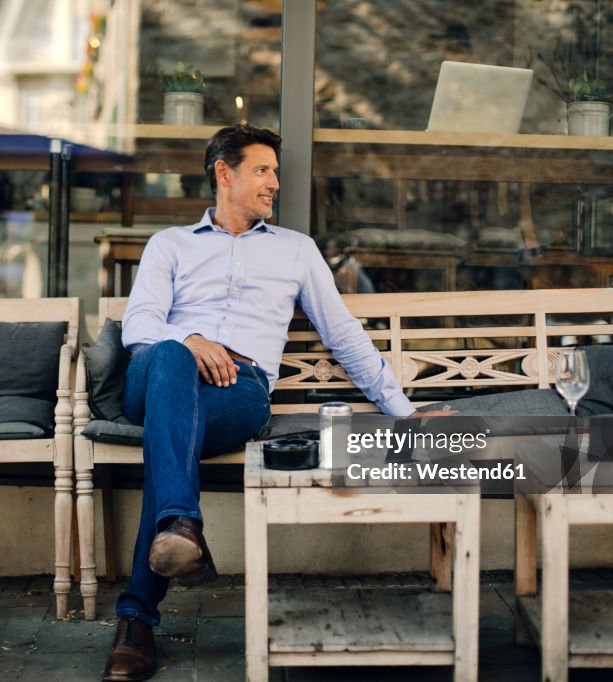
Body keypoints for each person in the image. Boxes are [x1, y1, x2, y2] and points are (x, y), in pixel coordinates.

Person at [103, 124, 450, 681]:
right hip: (161, 375)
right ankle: (173, 538)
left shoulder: (297, 251)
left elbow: (342, 333)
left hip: (238, 391)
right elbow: (140, 324)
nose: (274, 182)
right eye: (261, 169)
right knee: (169, 356)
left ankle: (149, 593)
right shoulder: (170, 244)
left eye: (274, 170)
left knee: (171, 438)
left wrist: (403, 412)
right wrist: (191, 342)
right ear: (224, 173)